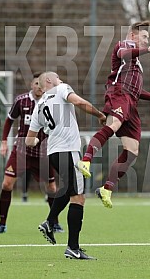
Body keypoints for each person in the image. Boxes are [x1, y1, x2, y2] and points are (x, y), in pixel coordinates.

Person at [77, 20, 150, 208]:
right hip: (119, 93)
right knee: (113, 125)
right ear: (133, 36)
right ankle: (85, 160)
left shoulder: (137, 66)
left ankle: (107, 188)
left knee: (132, 150)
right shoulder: (124, 45)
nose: (146, 40)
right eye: (144, 37)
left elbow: (137, 91)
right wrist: (146, 50)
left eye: (148, 38)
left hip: (131, 102)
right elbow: (124, 54)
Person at [25, 71, 106, 260]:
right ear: (49, 81)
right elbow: (79, 102)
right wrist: (100, 115)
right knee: (78, 197)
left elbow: (29, 140)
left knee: (69, 190)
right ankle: (72, 247)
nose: (61, 80)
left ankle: (50, 222)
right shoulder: (61, 89)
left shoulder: (39, 106)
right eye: (59, 77)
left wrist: (39, 141)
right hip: (68, 150)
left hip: (53, 152)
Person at [0, 72, 63, 234]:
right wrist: (3, 142)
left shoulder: (51, 102)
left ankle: (54, 222)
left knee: (51, 187)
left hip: (43, 153)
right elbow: (9, 120)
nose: (39, 87)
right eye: (36, 83)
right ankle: (2, 223)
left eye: (41, 84)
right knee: (6, 184)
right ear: (32, 85)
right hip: (21, 151)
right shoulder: (21, 101)